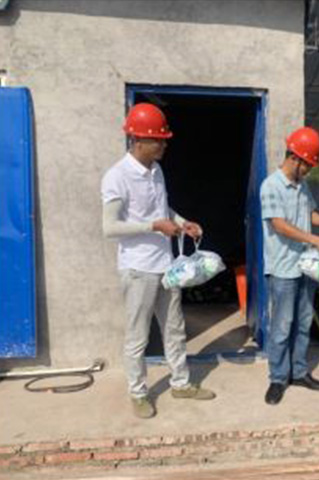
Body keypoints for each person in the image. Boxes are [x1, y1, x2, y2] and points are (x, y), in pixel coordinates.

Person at [101, 103, 215, 419]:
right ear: (139, 140)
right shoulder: (117, 176)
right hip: (138, 269)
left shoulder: (156, 170)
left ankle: (181, 383)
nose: (164, 145)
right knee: (138, 336)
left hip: (166, 266)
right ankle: (138, 393)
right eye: (159, 140)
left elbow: (163, 210)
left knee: (174, 329)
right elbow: (109, 227)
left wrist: (182, 222)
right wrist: (154, 226)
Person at [260, 127, 319, 405]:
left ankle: (298, 372)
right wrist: (315, 240)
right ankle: (278, 378)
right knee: (281, 326)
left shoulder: (302, 185)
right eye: (307, 165)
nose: (308, 170)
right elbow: (279, 225)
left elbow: (310, 214)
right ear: (295, 158)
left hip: (306, 267)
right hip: (283, 269)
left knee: (303, 323)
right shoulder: (271, 186)